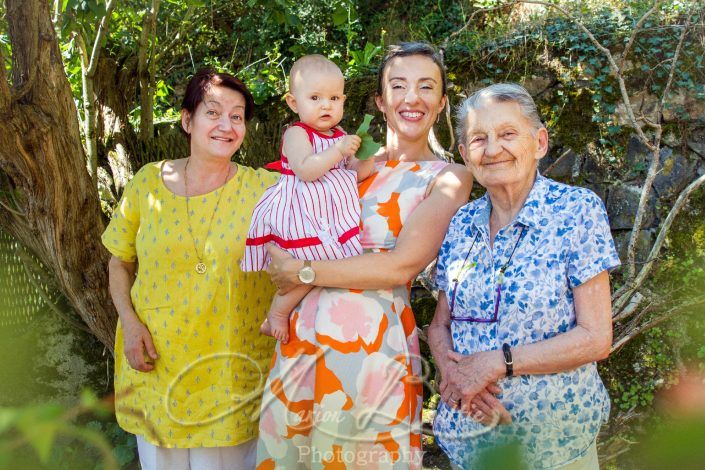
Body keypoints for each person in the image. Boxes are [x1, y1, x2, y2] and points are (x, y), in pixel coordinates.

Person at [255, 42, 473, 470]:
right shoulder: (343, 163)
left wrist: (300, 269)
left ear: (442, 102)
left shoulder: (449, 177)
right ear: (380, 100)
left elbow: (400, 265)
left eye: (426, 87)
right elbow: (290, 212)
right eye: (399, 86)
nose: (412, 98)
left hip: (372, 346)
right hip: (303, 336)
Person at [428, 83, 620, 469]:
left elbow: (596, 337)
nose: (494, 148)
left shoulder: (575, 211)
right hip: (472, 440)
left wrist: (498, 363)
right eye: (479, 138)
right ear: (465, 155)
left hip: (556, 443)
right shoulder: (461, 223)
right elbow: (440, 325)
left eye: (508, 134)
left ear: (540, 142)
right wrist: (456, 374)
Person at [102, 69, 278, 470]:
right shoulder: (148, 184)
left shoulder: (266, 190)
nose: (226, 125)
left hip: (231, 374)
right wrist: (129, 323)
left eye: (237, 116)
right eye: (213, 112)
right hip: (155, 365)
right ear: (187, 120)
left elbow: (328, 198)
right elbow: (119, 261)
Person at [241, 55, 375, 344]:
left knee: (334, 267)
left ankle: (327, 321)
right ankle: (278, 311)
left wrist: (365, 157)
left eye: (334, 97)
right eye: (314, 97)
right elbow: (306, 169)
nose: (326, 105)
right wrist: (339, 150)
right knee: (312, 263)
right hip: (304, 214)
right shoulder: (296, 134)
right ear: (293, 102)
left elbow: (355, 174)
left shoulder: (339, 135)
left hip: (332, 216)